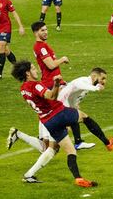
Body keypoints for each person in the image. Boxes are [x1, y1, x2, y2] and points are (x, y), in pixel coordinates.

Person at [11, 60, 113, 187]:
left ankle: (78, 179)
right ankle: (108, 143)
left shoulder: (23, 89)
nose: (37, 70)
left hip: (48, 121)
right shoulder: (36, 85)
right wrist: (56, 84)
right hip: (58, 113)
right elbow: (51, 96)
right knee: (84, 117)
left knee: (69, 150)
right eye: (34, 68)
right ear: (27, 73)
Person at [30, 21, 94, 149]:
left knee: (52, 112)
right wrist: (63, 59)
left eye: (46, 29)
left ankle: (45, 138)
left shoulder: (41, 46)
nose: (46, 32)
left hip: (52, 82)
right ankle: (76, 142)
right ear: (36, 33)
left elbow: (44, 66)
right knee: (69, 111)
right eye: (42, 30)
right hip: (52, 83)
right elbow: (51, 65)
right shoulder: (40, 47)